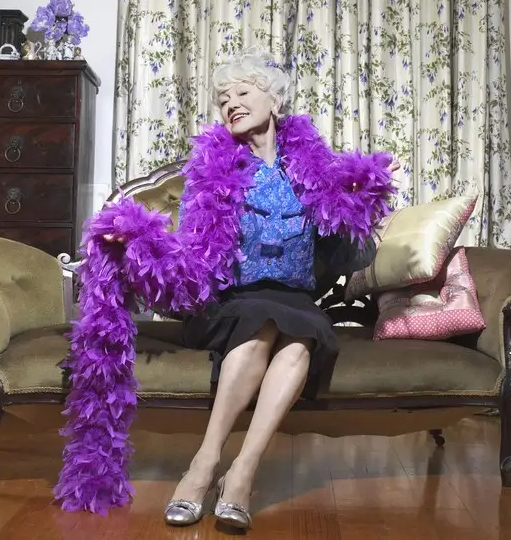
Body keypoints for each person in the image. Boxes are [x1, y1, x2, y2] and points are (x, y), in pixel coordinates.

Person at [111, 48, 398, 530]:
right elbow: (190, 256)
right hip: (231, 302)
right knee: (262, 326)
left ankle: (241, 471)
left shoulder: (311, 167)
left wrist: (360, 206)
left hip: (296, 299)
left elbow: (350, 250)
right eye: (223, 99)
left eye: (242, 92)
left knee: (299, 342)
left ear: (274, 100)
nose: (231, 103)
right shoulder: (213, 172)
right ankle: (205, 464)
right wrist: (135, 244)